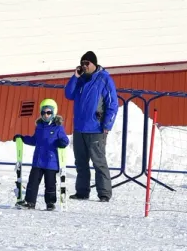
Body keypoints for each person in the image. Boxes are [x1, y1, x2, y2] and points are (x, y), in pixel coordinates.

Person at [63, 50, 119, 201]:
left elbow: (112, 104)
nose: (84, 66)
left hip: (96, 128)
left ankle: (104, 193)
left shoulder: (104, 79)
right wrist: (75, 77)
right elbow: (68, 94)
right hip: (80, 128)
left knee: (99, 162)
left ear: (94, 63)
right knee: (81, 162)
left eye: (87, 63)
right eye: (82, 63)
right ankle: (82, 192)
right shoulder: (80, 79)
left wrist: (107, 124)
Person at [16, 98, 70, 210]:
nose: (46, 115)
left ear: (53, 112)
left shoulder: (58, 127)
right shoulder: (39, 127)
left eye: (48, 112)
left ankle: (50, 203)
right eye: (43, 112)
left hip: (51, 161)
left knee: (50, 184)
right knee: (33, 182)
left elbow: (65, 140)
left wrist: (62, 142)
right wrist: (22, 138)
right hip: (38, 161)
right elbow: (34, 140)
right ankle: (30, 202)